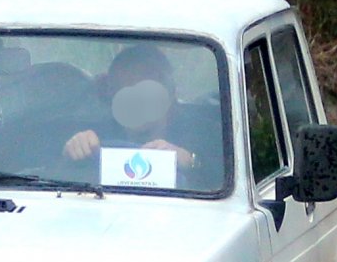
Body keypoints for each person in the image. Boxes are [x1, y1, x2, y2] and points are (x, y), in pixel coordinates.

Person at [62, 44, 223, 188]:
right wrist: (74, 151)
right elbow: (61, 183)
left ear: (170, 93)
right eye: (123, 91)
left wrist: (190, 161)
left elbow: (222, 183)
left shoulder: (207, 134)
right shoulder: (97, 133)